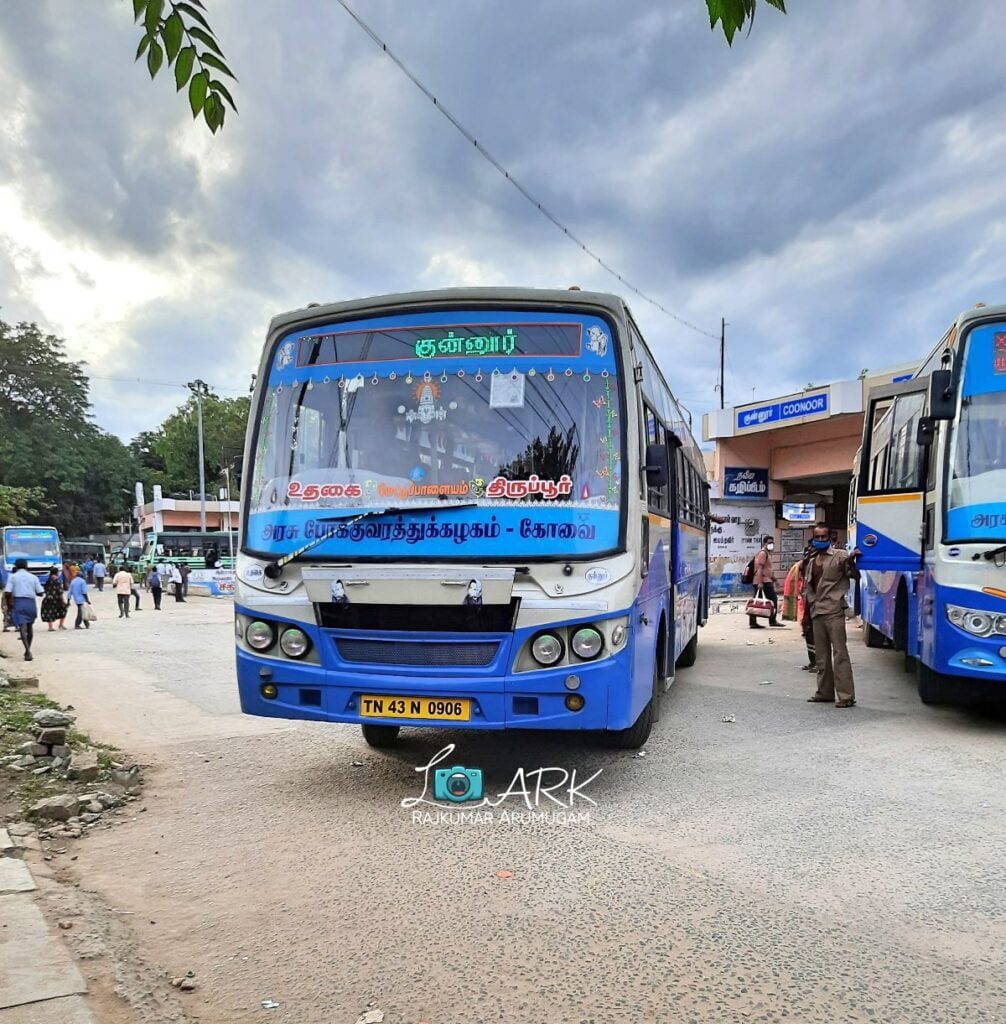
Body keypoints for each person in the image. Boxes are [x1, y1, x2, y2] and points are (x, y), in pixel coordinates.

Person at [805, 524, 862, 709]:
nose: (821, 540)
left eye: (824, 537)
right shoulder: (811, 560)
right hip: (817, 611)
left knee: (839, 654)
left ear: (830, 537)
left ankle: (846, 696)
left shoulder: (840, 556)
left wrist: (852, 561)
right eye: (817, 537)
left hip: (834, 611)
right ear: (813, 538)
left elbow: (854, 575)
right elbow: (809, 587)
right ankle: (824, 693)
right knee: (821, 656)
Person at [4, 558, 44, 660]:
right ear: (26, 566)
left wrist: (9, 604)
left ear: (16, 566)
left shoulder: (12, 577)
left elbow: (7, 592)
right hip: (31, 603)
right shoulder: (33, 577)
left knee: (22, 627)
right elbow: (40, 593)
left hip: (19, 602)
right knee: (30, 627)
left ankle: (28, 651)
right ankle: (27, 651)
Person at [749, 535, 785, 629]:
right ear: (764, 543)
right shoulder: (763, 553)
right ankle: (771, 621)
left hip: (766, 580)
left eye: (772, 543)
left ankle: (754, 622)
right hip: (763, 581)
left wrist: (775, 580)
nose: (771, 545)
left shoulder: (767, 554)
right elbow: (760, 568)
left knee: (758, 601)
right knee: (772, 600)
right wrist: (760, 582)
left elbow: (768, 569)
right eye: (769, 543)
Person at [40, 567, 68, 631]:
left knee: (49, 612)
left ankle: (50, 627)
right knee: (63, 610)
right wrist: (63, 600)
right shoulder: (57, 581)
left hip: (48, 599)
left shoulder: (48, 580)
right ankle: (61, 625)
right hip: (57, 599)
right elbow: (60, 591)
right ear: (56, 572)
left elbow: (45, 589)